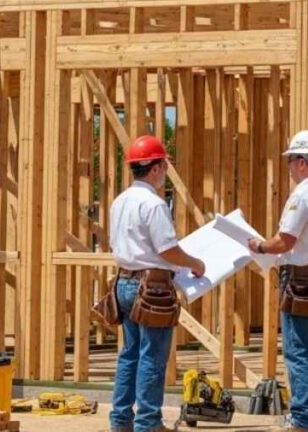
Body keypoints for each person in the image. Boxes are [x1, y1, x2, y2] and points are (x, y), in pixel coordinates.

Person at [109, 135, 206, 432]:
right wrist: (195, 263)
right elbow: (167, 250)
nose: (165, 171)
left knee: (130, 355)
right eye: (164, 165)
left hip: (125, 283)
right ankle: (149, 423)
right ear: (154, 169)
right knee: (152, 355)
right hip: (151, 289)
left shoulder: (120, 201)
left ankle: (120, 420)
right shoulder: (153, 204)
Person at [249, 131, 308, 432]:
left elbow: (285, 241)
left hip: (302, 282)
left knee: (299, 351)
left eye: (291, 160)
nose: (289, 167)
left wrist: (259, 246)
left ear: (302, 162)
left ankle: (302, 420)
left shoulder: (303, 195)